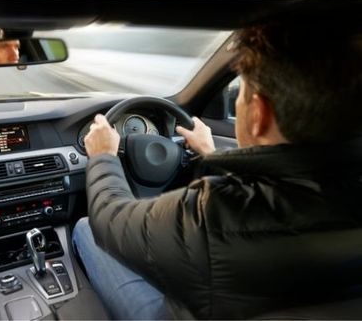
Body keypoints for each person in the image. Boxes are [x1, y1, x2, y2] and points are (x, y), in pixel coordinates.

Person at [73, 21, 362, 319]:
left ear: (258, 114)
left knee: (85, 228)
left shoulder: (212, 215)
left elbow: (109, 217)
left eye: (240, 94)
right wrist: (210, 153)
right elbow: (291, 174)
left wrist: (103, 156)